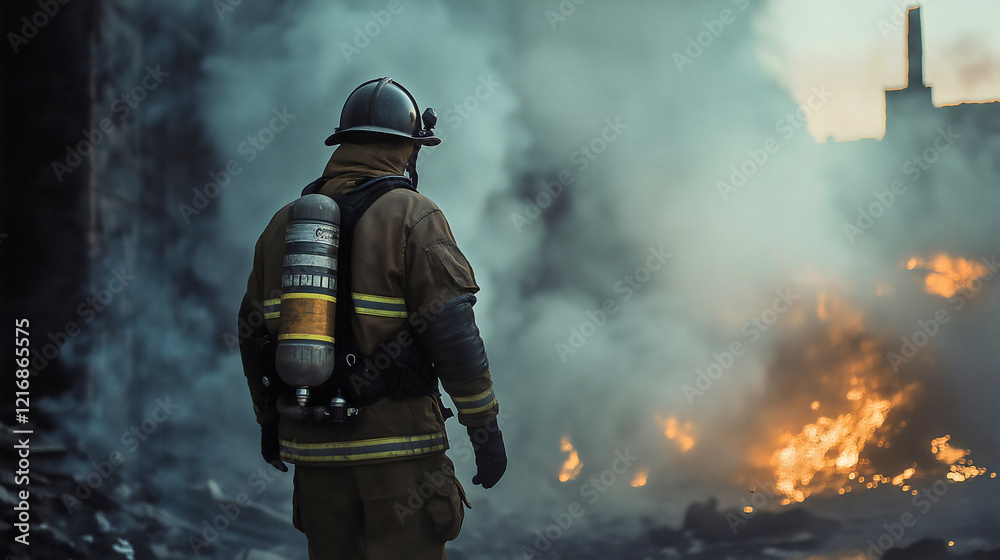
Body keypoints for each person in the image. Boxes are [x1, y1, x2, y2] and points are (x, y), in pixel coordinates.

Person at [237, 77, 506, 559]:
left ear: (343, 144)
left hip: (314, 451)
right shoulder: (414, 216)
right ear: (408, 148)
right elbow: (452, 331)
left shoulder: (282, 226)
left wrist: (269, 421)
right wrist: (483, 427)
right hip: (399, 456)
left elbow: (253, 335)